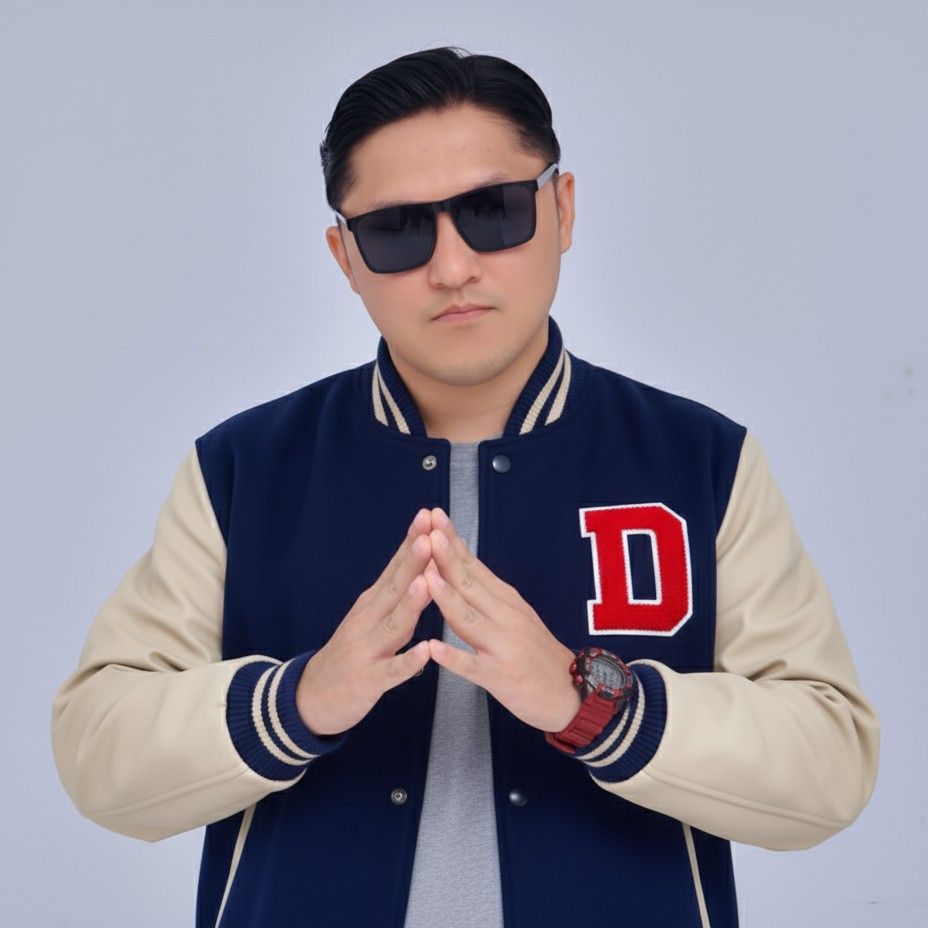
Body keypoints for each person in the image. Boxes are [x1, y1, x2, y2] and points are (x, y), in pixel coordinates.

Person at [52, 46, 879, 928]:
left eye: (493, 211)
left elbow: (829, 767)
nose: (452, 267)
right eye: (397, 230)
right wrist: (302, 700)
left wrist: (590, 703)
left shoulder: (699, 461)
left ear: (562, 208)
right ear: (344, 256)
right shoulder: (245, 469)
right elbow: (99, 750)